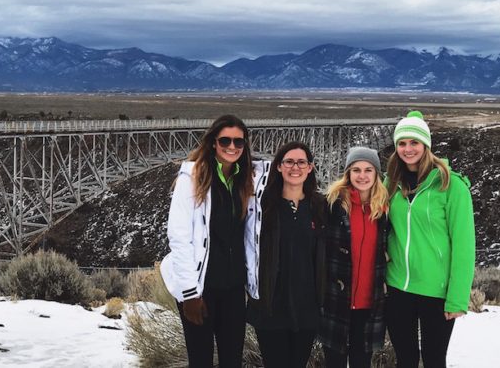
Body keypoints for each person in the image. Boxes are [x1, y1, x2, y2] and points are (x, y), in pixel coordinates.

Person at [160, 114, 266, 368]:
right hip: (200, 287)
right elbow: (179, 237)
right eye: (225, 141)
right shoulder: (193, 179)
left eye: (238, 142)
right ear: (213, 142)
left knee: (232, 360)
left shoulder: (247, 179)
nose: (232, 147)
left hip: (233, 287)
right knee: (201, 360)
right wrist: (189, 294)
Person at [385, 111, 475, 368]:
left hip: (436, 291)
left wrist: (457, 297)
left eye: (414, 142)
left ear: (427, 145)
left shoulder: (451, 185)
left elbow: (464, 246)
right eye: (402, 143)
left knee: (435, 360)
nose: (407, 149)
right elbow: (379, 223)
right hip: (397, 286)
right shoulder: (391, 182)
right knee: (405, 360)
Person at [246, 141, 327, 368]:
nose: (295, 167)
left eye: (302, 162)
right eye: (289, 161)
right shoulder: (261, 205)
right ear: (279, 166)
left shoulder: (320, 206)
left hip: (306, 306)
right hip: (271, 305)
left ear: (310, 168)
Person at [320, 147, 389, 368]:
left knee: (362, 362)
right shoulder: (332, 205)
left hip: (369, 304)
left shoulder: (384, 211)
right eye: (356, 169)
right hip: (335, 301)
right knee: (334, 362)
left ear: (377, 174)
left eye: (368, 169)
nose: (362, 175)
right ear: (348, 173)